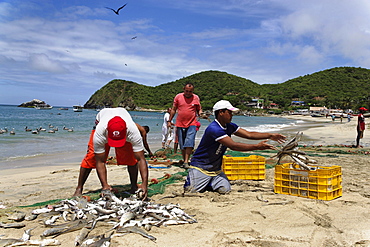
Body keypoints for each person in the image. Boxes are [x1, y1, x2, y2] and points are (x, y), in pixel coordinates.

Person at [184, 100, 286, 194]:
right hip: (200, 167)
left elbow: (249, 134)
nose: (231, 115)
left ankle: (209, 183)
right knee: (191, 191)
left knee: (225, 189)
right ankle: (199, 180)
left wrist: (270, 135)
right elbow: (233, 145)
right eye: (230, 112)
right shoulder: (214, 129)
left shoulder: (230, 126)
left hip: (215, 170)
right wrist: (257, 146)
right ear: (221, 113)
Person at [72, 108, 150, 200]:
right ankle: (79, 188)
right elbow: (100, 161)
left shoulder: (133, 131)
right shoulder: (100, 131)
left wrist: (144, 184)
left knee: (131, 158)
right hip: (102, 123)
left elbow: (141, 159)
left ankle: (134, 186)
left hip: (124, 128)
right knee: (91, 157)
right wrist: (104, 186)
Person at [168, 83, 204, 168]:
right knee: (182, 143)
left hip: (192, 123)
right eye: (186, 91)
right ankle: (185, 160)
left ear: (193, 91)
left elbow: (199, 109)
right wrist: (169, 121)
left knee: (189, 142)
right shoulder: (178, 97)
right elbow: (173, 109)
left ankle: (186, 161)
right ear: (183, 89)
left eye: (190, 91)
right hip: (180, 124)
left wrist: (201, 114)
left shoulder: (196, 98)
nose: (188, 93)